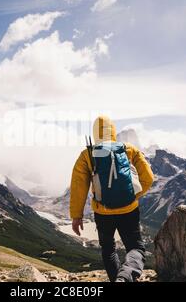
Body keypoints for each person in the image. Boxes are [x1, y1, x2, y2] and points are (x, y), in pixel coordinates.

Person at [70, 115, 154, 282]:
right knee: (135, 247)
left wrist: (76, 216)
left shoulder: (87, 154)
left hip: (103, 211)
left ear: (95, 133)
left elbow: (79, 186)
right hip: (128, 209)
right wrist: (133, 195)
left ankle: (118, 279)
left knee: (108, 249)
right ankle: (126, 276)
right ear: (113, 131)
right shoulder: (128, 149)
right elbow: (149, 178)